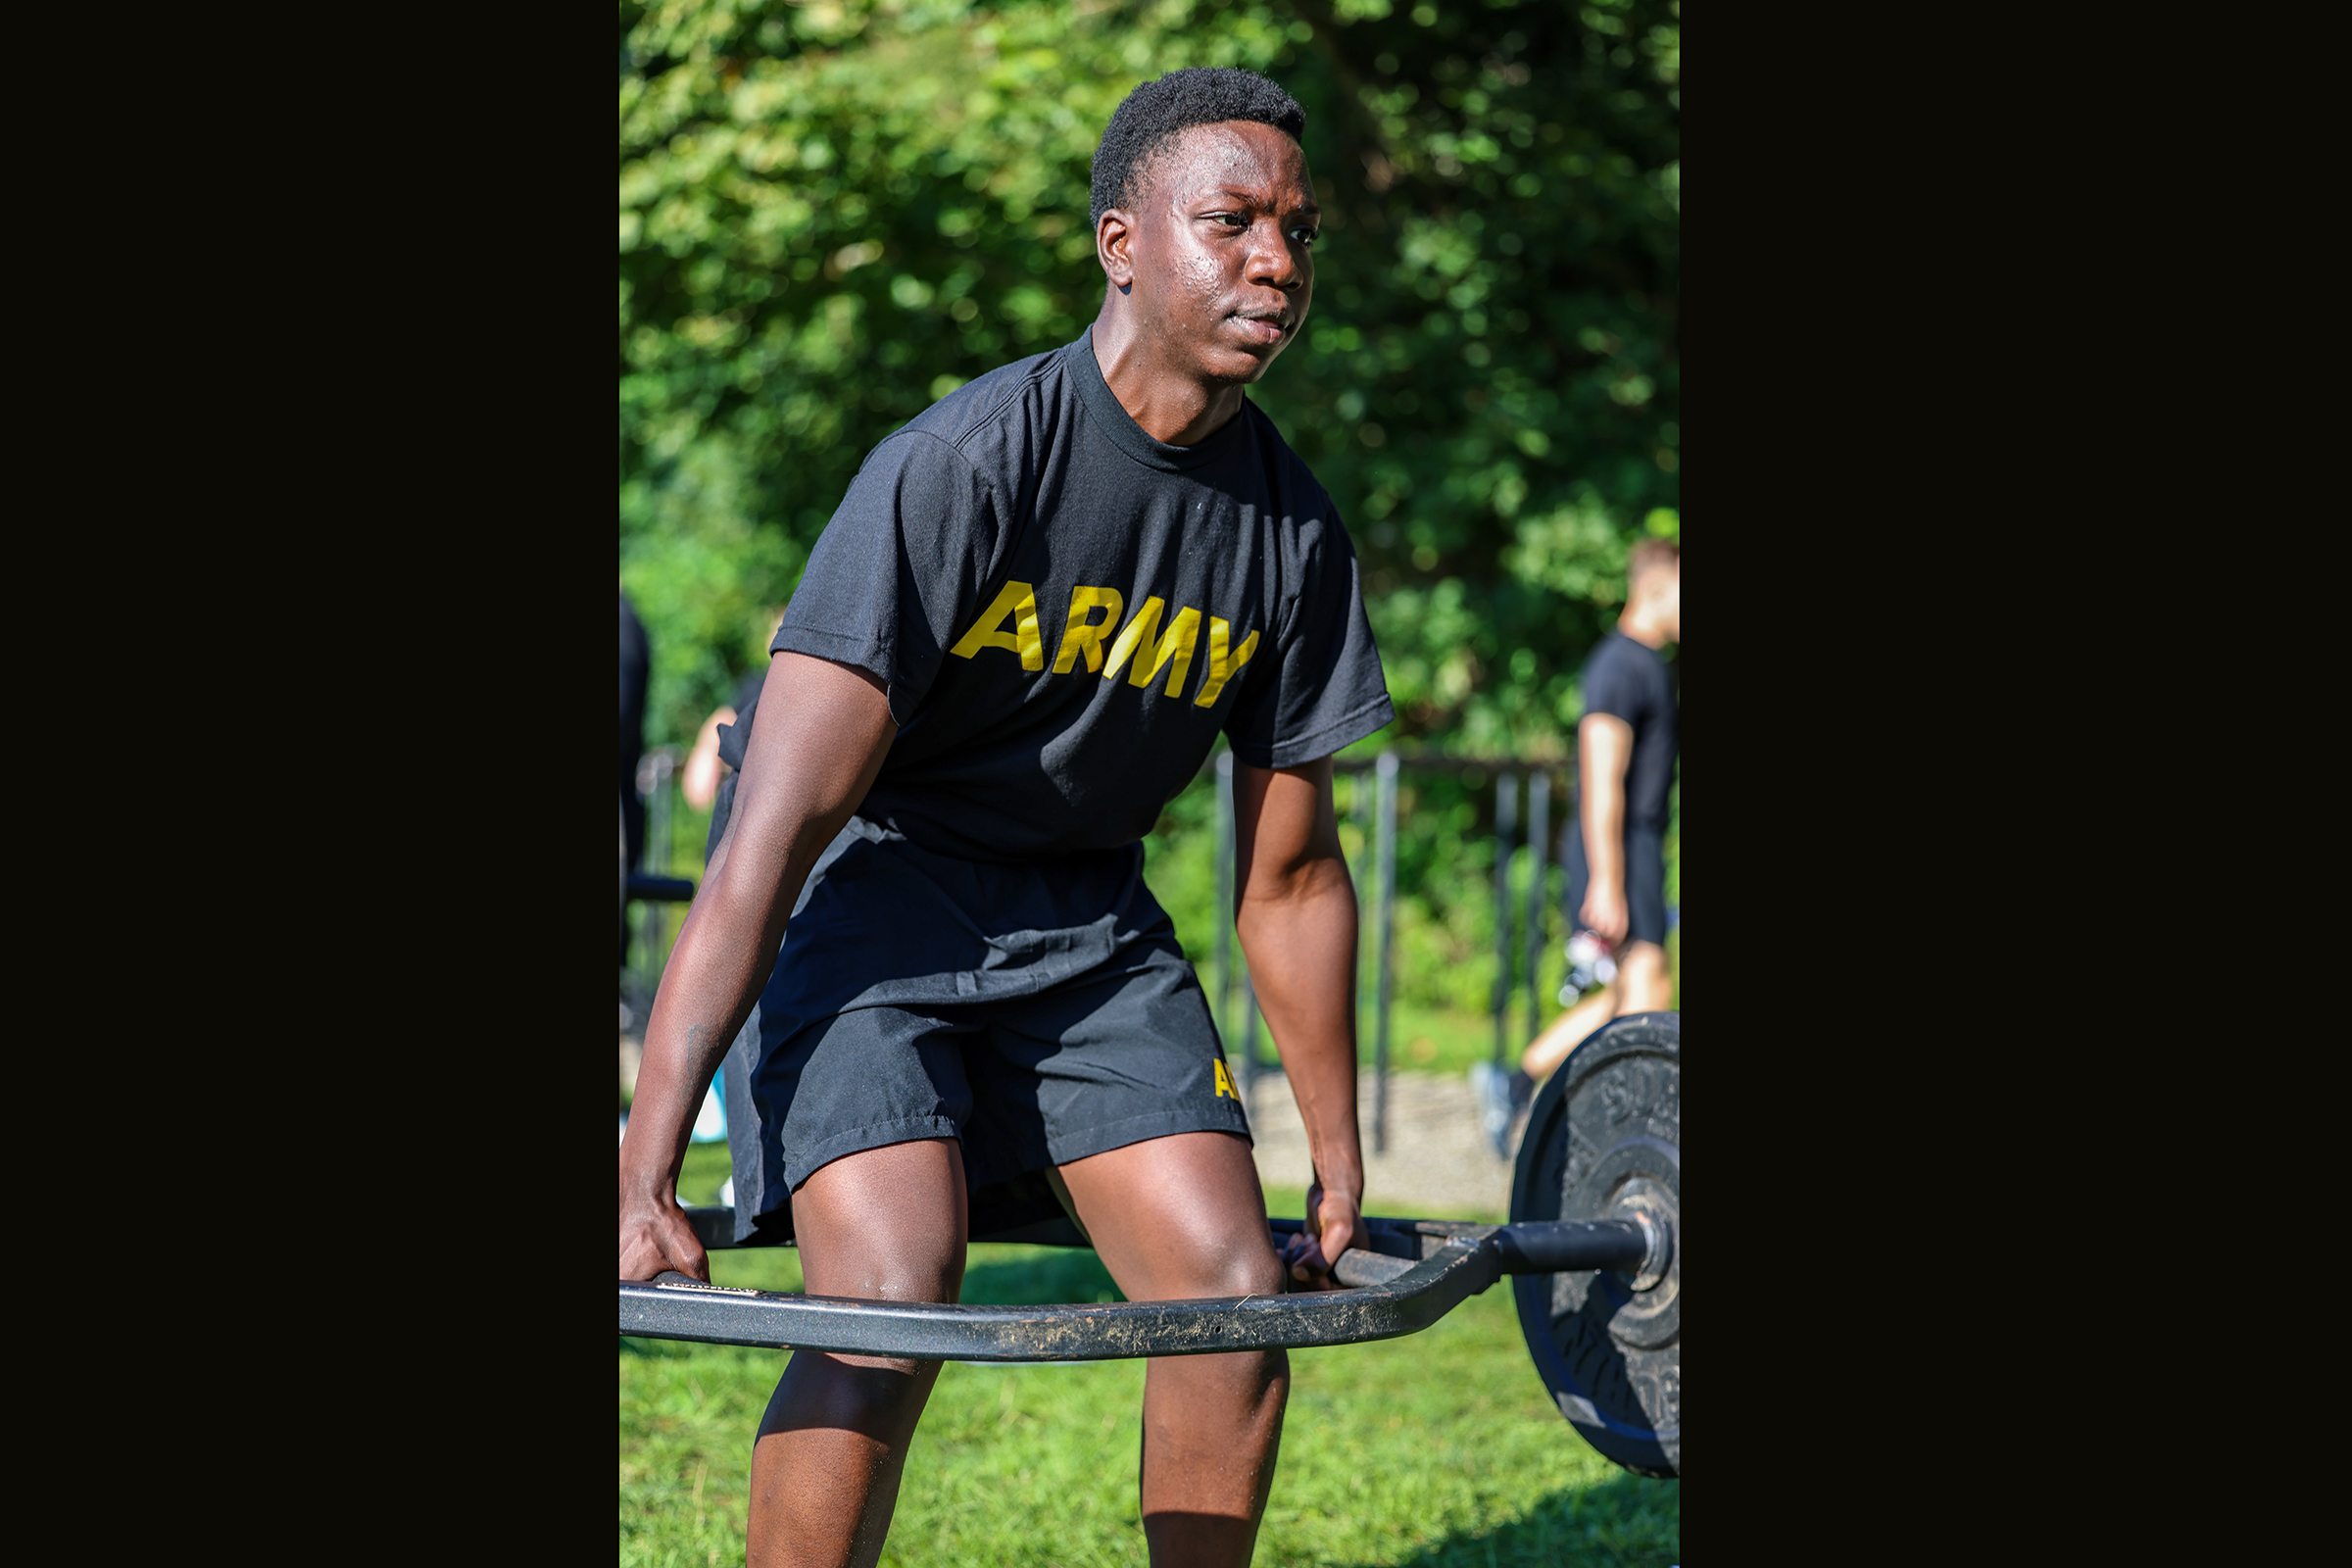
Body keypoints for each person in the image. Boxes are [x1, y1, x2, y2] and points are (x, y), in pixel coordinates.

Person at [617, 67, 1392, 1568]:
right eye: (1229, 222)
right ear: (1121, 242)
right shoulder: (965, 466)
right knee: (894, 1299)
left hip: (1090, 926)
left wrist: (1342, 1160)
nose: (1277, 264)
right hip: (875, 899)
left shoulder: (1293, 534)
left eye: (1296, 232)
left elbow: (1291, 880)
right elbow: (769, 835)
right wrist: (643, 1169)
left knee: (1230, 1306)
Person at [1520, 539, 1680, 1085]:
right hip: (1619, 850)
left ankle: (1517, 1083)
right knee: (1647, 992)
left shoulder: (1649, 665)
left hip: (1636, 850)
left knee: (1629, 995)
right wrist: (1608, 880)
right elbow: (1600, 777)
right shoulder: (1620, 665)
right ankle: (1633, 1124)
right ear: (1656, 587)